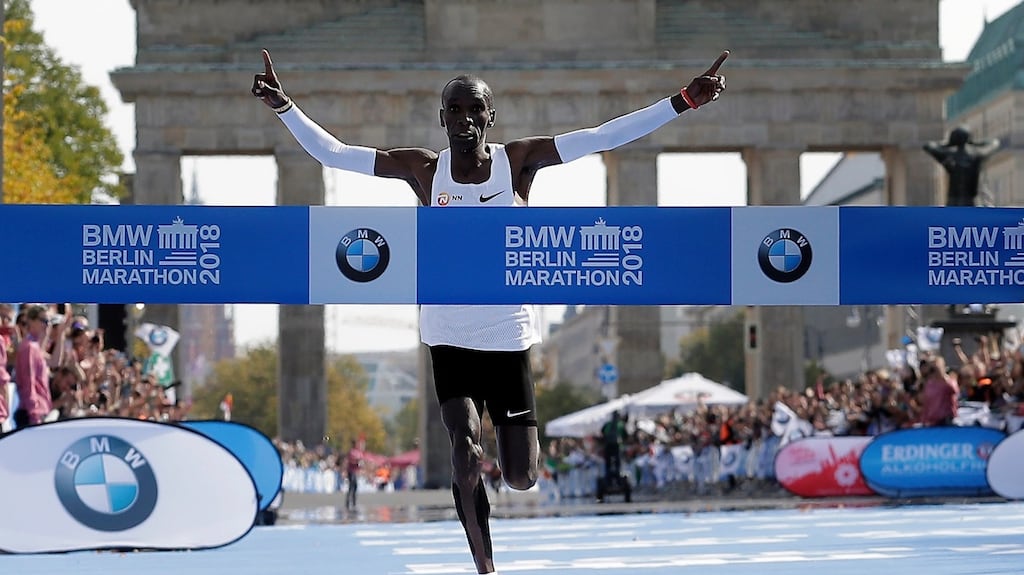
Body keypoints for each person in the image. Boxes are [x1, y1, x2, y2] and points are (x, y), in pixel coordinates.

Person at [253, 49, 727, 575]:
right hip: (448, 337)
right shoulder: (423, 171)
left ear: (490, 116)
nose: (464, 119)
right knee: (464, 451)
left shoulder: (517, 161)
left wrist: (683, 102)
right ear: (442, 118)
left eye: (474, 109)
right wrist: (285, 107)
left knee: (520, 476)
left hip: (507, 337)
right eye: (453, 110)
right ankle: (485, 565)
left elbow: (601, 137)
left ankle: (520, 449)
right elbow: (337, 155)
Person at [923, 126, 1000, 207]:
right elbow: (994, 143)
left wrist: (948, 144)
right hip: (972, 201)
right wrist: (974, 143)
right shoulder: (977, 154)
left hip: (953, 201)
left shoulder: (949, 154)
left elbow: (928, 146)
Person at [600, 410, 627, 480]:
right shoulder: (620, 424)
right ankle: (618, 476)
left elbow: (602, 434)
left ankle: (608, 478)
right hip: (617, 446)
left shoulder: (607, 424)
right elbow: (625, 436)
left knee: (608, 463)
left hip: (608, 446)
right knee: (618, 462)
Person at [344, 439, 361, 511]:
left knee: (355, 487)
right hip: (351, 471)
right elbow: (351, 461)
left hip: (354, 471)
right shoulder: (351, 452)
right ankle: (348, 503)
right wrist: (357, 462)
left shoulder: (357, 452)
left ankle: (353, 502)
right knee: (351, 487)